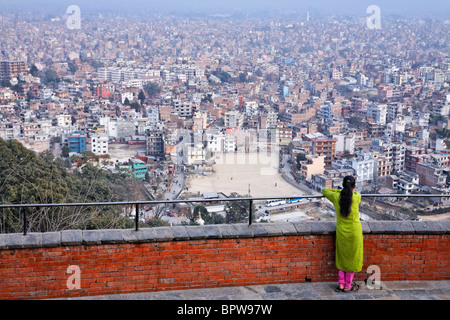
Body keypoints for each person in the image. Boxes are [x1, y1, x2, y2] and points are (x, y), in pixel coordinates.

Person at [322, 176, 362, 292]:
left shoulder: (336, 196)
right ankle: (348, 285)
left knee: (341, 256)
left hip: (341, 231)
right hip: (355, 231)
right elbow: (354, 194)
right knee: (352, 258)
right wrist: (347, 190)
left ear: (343, 185)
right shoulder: (357, 197)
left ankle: (341, 284)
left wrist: (340, 190)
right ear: (353, 187)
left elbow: (325, 191)